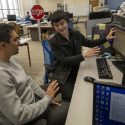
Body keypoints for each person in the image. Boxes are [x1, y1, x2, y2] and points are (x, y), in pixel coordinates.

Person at [0, 23, 69, 125]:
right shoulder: (2, 74)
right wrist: (46, 99)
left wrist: (45, 96)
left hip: (33, 101)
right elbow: (19, 116)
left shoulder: (11, 58)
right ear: (3, 46)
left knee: (61, 84)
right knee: (67, 109)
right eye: (15, 40)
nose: (19, 42)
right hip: (25, 116)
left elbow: (27, 80)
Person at [49, 10, 116, 101]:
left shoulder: (76, 34)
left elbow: (90, 43)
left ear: (67, 22)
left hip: (76, 67)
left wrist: (106, 38)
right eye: (56, 25)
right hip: (63, 72)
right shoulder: (53, 41)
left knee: (88, 88)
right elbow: (63, 61)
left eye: (62, 23)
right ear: (53, 27)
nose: (60, 27)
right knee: (71, 97)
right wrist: (83, 55)